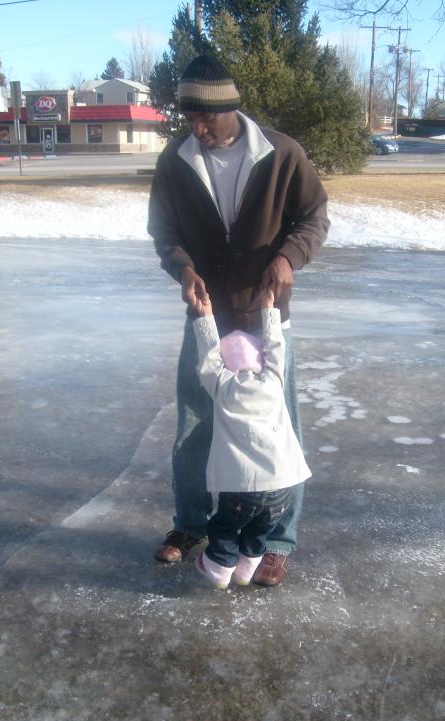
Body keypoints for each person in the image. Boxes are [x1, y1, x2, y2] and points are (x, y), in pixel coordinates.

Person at [147, 54, 329, 586]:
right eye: (190, 119)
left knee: (281, 426)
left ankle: (274, 542)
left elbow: (313, 217)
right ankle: (191, 525)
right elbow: (164, 231)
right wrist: (181, 268)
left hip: (265, 313)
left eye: (207, 119)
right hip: (207, 315)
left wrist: (288, 257)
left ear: (231, 109)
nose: (198, 129)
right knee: (196, 425)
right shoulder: (177, 159)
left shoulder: (281, 154)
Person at [191, 287, 311, 590]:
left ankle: (218, 568)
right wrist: (269, 309)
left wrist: (204, 315)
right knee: (258, 531)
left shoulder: (221, 386)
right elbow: (277, 347)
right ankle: (245, 571)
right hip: (281, 487)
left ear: (227, 364)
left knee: (225, 527)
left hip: (243, 489)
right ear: (260, 360)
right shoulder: (273, 381)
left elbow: (208, 357)